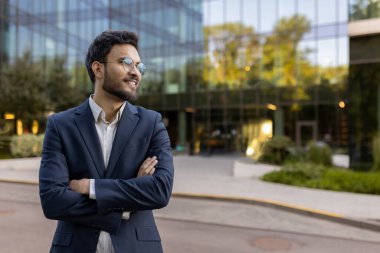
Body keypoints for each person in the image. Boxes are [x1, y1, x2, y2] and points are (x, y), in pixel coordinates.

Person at [39, 30, 174, 253]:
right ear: (98, 68)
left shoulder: (151, 123)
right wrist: (126, 204)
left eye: (140, 67)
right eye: (126, 63)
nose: (136, 73)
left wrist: (89, 187)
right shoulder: (60, 125)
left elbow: (160, 190)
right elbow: (53, 201)